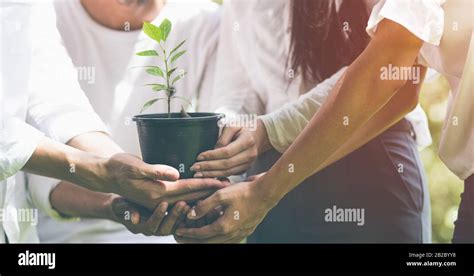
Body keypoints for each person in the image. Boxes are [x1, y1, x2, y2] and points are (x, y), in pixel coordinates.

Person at [176, 0, 473, 243]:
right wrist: (221, 163)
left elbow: (386, 73)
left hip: (368, 159)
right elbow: (237, 87)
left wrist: (271, 134)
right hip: (269, 168)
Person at [0, 0, 225, 243]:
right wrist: (105, 177)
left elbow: (55, 100)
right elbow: (34, 170)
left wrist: (115, 167)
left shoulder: (204, 21)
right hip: (62, 235)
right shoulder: (55, 10)